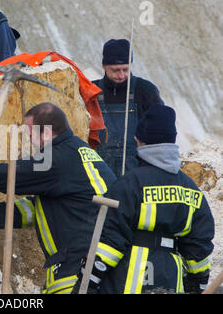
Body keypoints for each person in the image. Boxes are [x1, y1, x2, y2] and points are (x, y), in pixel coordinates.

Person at [0, 102, 116, 294]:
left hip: (77, 274)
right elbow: (36, 210)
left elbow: (8, 178)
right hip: (98, 270)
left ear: (45, 133)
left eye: (30, 136)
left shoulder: (56, 160)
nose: (30, 143)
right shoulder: (78, 152)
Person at [77, 104, 215, 294]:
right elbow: (198, 251)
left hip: (130, 280)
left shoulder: (130, 184)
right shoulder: (191, 190)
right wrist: (197, 287)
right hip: (170, 278)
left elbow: (108, 243)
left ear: (141, 141)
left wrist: (86, 284)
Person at [93, 39, 164, 177]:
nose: (121, 75)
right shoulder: (92, 92)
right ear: (103, 66)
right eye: (115, 70)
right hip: (99, 173)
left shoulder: (145, 90)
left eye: (125, 69)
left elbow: (160, 133)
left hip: (136, 173)